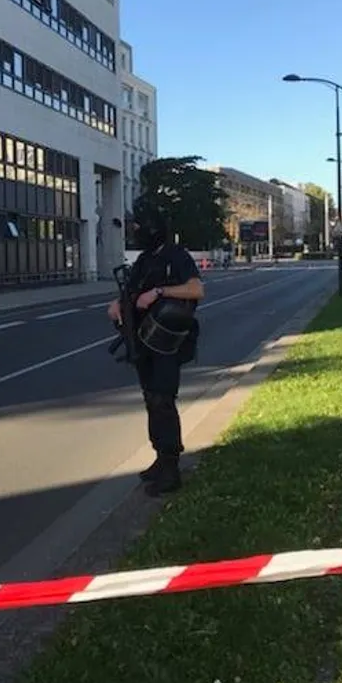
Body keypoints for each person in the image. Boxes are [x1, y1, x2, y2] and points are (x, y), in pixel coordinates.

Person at [109, 197, 205, 496]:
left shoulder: (175, 255)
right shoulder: (144, 259)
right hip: (143, 339)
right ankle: (160, 458)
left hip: (167, 343)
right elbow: (132, 291)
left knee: (163, 401)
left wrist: (159, 292)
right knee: (151, 399)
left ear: (151, 227)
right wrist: (118, 304)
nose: (134, 230)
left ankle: (171, 467)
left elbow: (196, 288)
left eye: (138, 225)